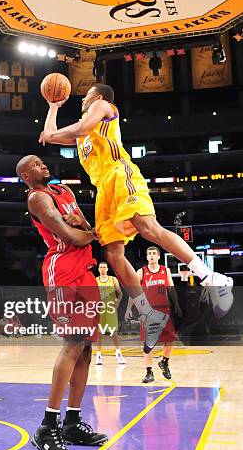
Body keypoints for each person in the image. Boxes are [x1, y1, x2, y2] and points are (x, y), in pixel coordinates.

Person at [39, 84, 233, 354]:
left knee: (148, 228)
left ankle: (210, 277)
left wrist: (57, 127)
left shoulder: (103, 107)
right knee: (113, 254)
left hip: (121, 174)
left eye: (86, 95)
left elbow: (77, 129)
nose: (82, 98)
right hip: (103, 190)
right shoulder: (84, 132)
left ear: (98, 96)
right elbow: (50, 135)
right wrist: (53, 106)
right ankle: (148, 314)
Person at [16, 154, 108, 450]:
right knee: (73, 344)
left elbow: (83, 224)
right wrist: (91, 234)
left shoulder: (63, 191)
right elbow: (71, 236)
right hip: (62, 270)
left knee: (85, 350)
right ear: (26, 176)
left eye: (42, 162)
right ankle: (47, 426)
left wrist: (87, 230)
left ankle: (72, 422)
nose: (42, 165)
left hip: (85, 270)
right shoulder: (37, 198)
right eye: (35, 164)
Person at [125, 246, 182, 383]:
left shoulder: (165, 270)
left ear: (158, 256)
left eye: (153, 254)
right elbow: (134, 292)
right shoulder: (141, 272)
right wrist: (128, 309)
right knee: (148, 344)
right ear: (146, 257)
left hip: (164, 310)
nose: (151, 255)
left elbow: (171, 289)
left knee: (170, 339)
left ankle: (165, 362)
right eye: (149, 253)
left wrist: (178, 305)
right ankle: (149, 372)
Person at [95, 261, 125, 365]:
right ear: (98, 269)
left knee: (114, 332)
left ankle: (118, 353)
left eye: (104, 267)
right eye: (101, 267)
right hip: (100, 309)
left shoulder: (113, 279)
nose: (102, 269)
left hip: (110, 308)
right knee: (99, 333)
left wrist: (117, 303)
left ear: (107, 269)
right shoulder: (96, 280)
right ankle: (98, 355)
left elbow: (120, 293)